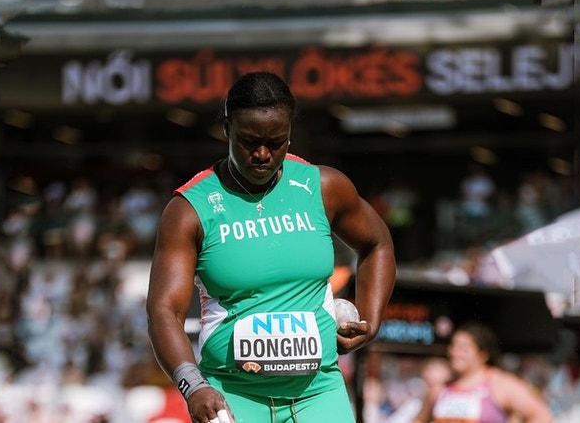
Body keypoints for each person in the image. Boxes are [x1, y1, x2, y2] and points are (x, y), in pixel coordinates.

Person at [146, 70, 397, 423]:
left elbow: (378, 244)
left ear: (291, 134)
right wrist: (193, 385)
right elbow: (163, 311)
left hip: (319, 391)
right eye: (248, 141)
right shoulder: (190, 209)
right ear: (226, 130)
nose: (262, 154)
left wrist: (372, 319)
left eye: (277, 142)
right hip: (232, 396)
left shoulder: (323, 187)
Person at [413, 321, 554, 423]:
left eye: (464, 349)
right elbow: (420, 419)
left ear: (483, 354)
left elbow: (542, 415)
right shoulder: (441, 388)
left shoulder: (499, 384)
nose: (455, 353)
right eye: (453, 346)